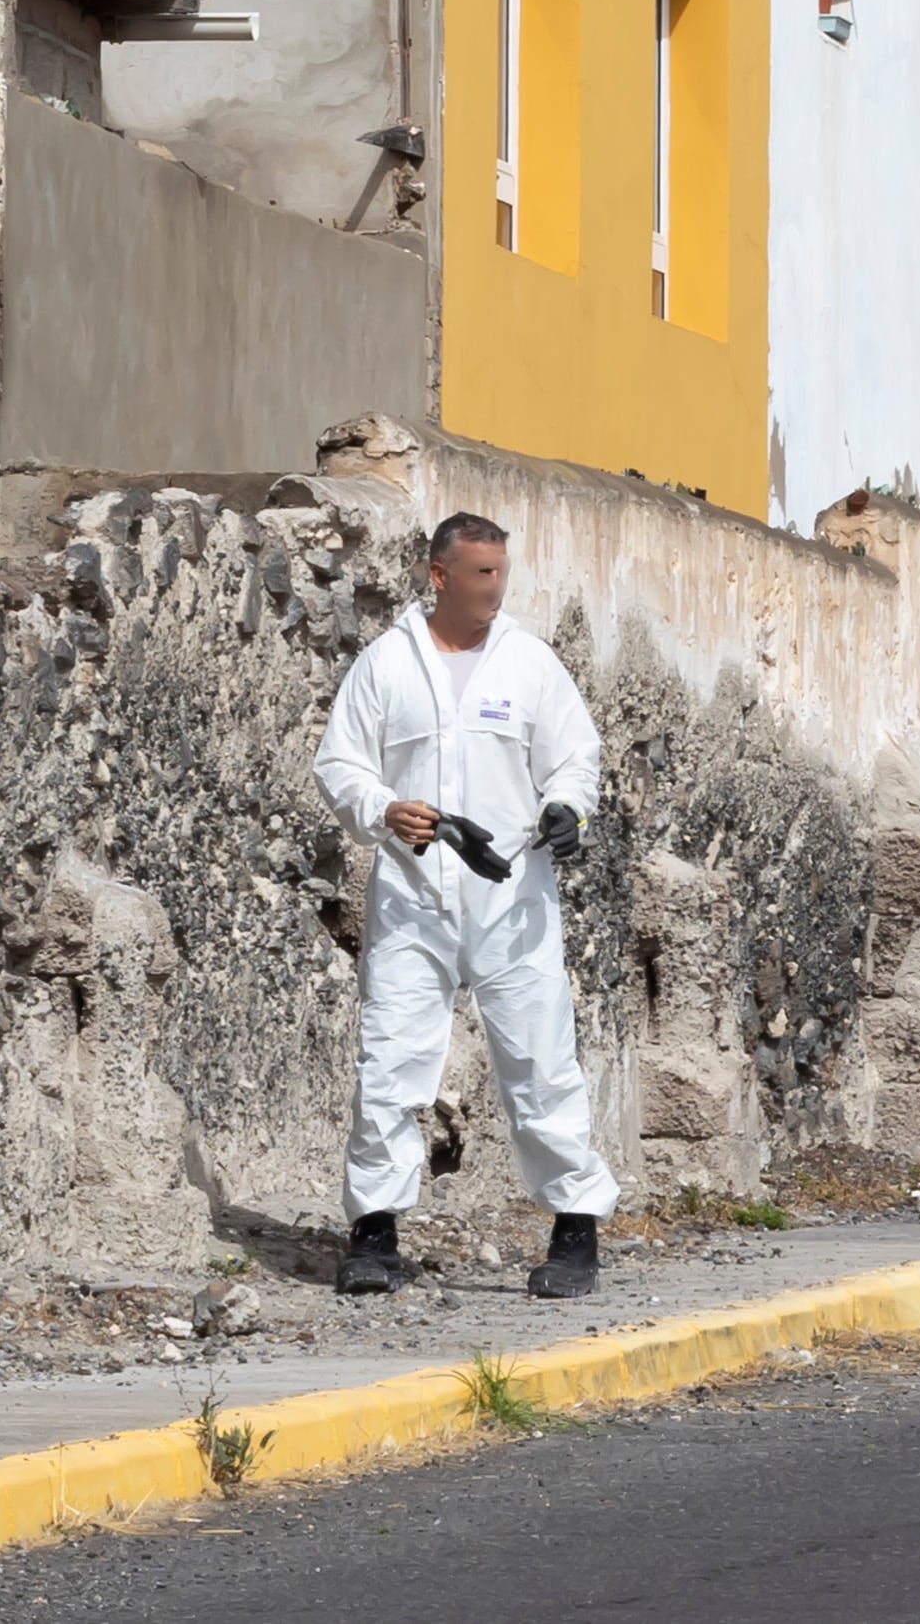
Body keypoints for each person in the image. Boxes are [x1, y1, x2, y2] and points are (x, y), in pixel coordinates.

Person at [312, 512, 619, 1299]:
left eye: (501, 573)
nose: (495, 588)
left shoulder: (530, 664)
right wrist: (383, 808)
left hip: (512, 896)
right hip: (414, 896)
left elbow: (577, 759)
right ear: (439, 575)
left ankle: (574, 1230)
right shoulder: (385, 665)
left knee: (539, 1059)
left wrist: (567, 810)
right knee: (390, 1058)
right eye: (480, 574)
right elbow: (340, 763)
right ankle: (375, 1232)